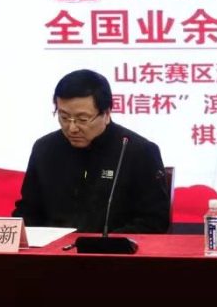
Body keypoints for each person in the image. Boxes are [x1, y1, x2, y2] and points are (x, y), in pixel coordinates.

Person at [13, 69, 170, 233]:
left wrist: (106, 242)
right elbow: (28, 211)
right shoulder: (45, 148)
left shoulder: (138, 151)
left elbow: (155, 220)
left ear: (106, 113)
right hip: (52, 248)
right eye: (64, 117)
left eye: (82, 119)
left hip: (112, 247)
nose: (72, 128)